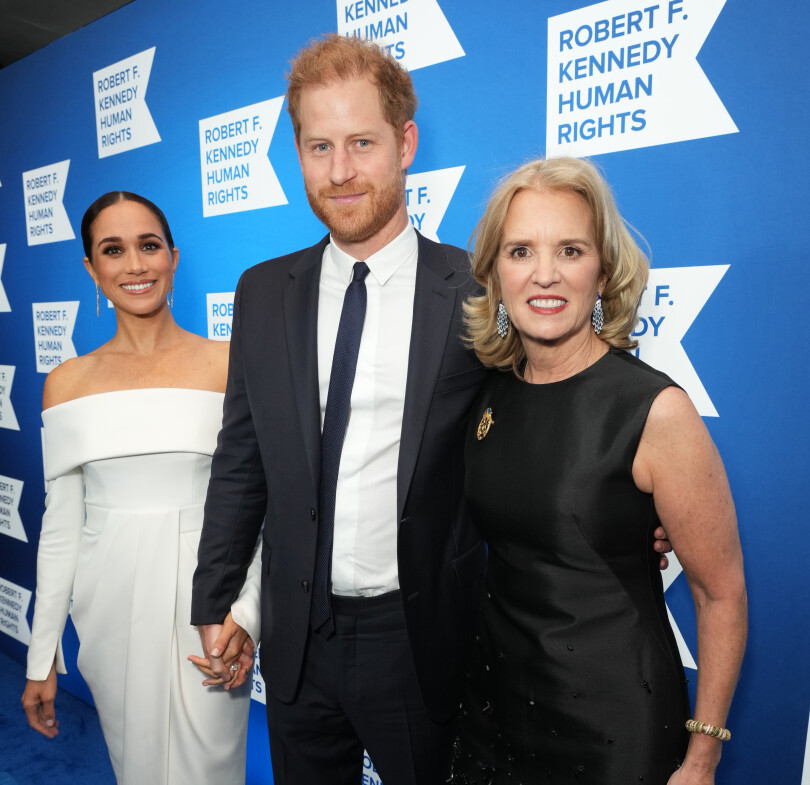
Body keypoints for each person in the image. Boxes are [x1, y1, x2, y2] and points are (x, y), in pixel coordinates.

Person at [191, 33, 488, 785]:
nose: (341, 171)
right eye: (319, 146)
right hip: (296, 636)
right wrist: (216, 596)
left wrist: (617, 515)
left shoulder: (476, 290)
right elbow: (241, 459)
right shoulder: (262, 291)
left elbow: (532, 441)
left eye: (362, 142)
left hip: (420, 636)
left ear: (406, 142)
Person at [451, 157, 747, 785]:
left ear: (604, 271)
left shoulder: (654, 411)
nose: (545, 275)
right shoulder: (489, 396)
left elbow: (720, 595)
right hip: (493, 714)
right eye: (521, 251)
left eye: (571, 250)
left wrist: (703, 755)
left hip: (617, 732)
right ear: (496, 274)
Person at [21, 192, 262, 785]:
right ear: (91, 268)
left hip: (210, 600)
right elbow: (61, 527)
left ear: (173, 256)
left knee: (213, 767)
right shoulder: (66, 383)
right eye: (113, 249)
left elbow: (262, 504)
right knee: (138, 768)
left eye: (148, 245)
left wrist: (248, 613)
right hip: (110, 603)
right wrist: (41, 658)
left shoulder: (232, 364)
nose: (135, 265)